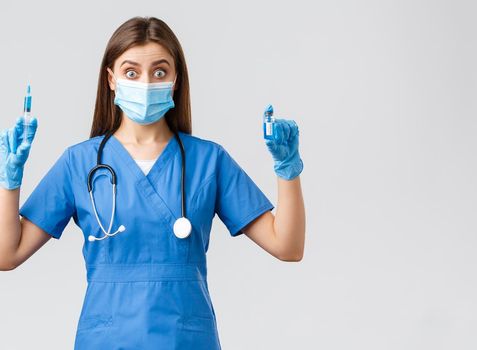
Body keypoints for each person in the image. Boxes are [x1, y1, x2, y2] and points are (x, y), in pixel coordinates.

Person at [0, 16, 306, 349]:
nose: (145, 83)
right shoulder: (80, 163)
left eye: (159, 72)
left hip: (185, 339)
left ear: (176, 80)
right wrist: (9, 181)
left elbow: (287, 247)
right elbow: (7, 255)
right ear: (111, 79)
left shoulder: (208, 160)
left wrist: (287, 169)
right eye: (131, 72)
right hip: (107, 339)